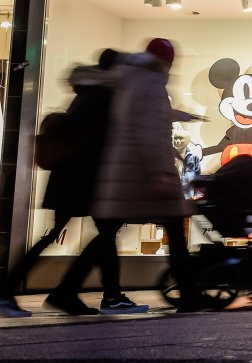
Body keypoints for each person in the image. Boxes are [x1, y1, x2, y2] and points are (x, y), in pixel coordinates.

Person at [0, 50, 151, 317]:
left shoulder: (89, 92)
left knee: (101, 234)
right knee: (103, 233)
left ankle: (101, 295)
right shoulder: (102, 96)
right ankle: (18, 291)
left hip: (74, 179)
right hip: (83, 180)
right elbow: (99, 142)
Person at [85, 39, 202, 310]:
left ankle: (74, 290)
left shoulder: (132, 78)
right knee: (174, 227)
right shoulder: (151, 81)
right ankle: (188, 293)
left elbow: (145, 117)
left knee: (108, 232)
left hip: (129, 171)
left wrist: (178, 115)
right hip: (142, 174)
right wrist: (160, 172)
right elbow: (149, 131)